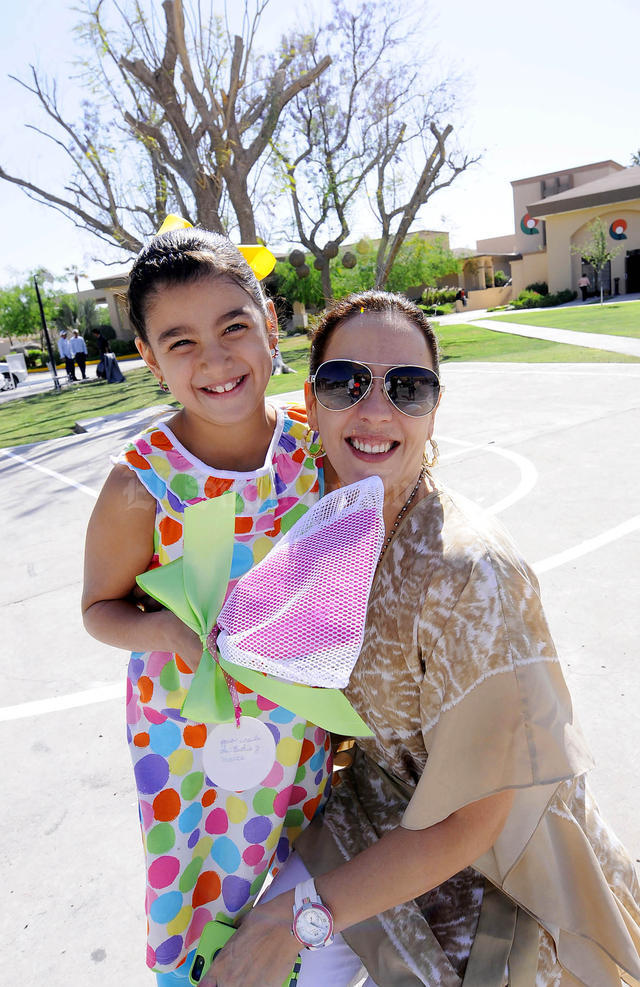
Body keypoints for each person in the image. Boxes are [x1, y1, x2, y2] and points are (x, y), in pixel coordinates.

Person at [208, 290, 640, 987]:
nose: (376, 409)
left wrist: (293, 919)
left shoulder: (471, 575)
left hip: (500, 869)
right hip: (370, 810)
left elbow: (475, 820)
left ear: (434, 411)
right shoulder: (324, 517)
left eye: (408, 387)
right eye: (345, 381)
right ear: (311, 405)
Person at [81, 226, 332, 985]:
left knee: (301, 902)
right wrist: (164, 627)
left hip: (300, 728)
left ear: (270, 320)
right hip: (190, 747)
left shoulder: (311, 447)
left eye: (233, 325)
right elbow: (99, 607)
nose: (217, 358)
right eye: (180, 341)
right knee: (200, 909)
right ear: (150, 360)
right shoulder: (141, 482)